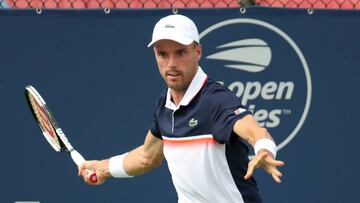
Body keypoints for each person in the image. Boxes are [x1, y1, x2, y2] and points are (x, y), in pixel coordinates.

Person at [78, 14, 284, 203]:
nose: (171, 64)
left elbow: (254, 130)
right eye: (162, 54)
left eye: (180, 53)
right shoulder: (164, 104)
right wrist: (104, 168)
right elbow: (147, 157)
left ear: (198, 52)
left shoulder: (215, 100)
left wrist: (264, 148)